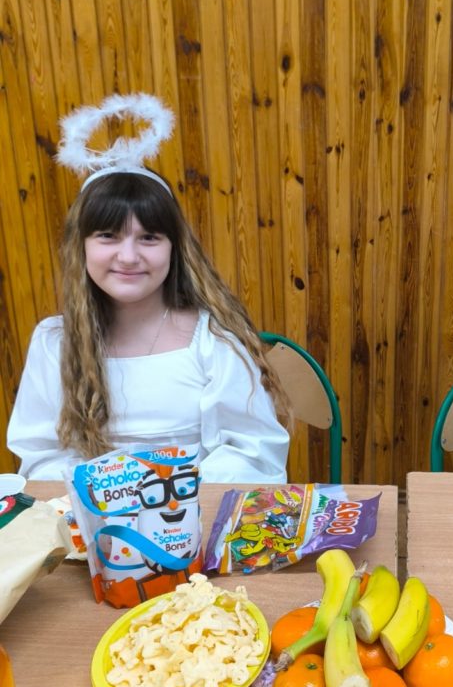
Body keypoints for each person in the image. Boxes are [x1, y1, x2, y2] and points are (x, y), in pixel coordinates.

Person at [7, 93, 290, 483]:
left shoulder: (213, 341)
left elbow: (253, 455)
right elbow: (40, 458)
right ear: (81, 246)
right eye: (108, 235)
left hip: (191, 514)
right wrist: (104, 493)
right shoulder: (54, 343)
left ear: (174, 248)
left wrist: (168, 492)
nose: (128, 256)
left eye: (149, 238)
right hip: (88, 517)